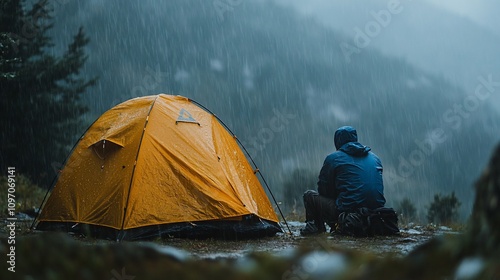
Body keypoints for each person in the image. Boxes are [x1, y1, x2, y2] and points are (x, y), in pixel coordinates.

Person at [300, 125, 386, 235]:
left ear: (337, 141)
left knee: (309, 196)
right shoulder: (375, 158)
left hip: (347, 214)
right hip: (375, 214)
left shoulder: (333, 158)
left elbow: (323, 190)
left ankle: (316, 228)